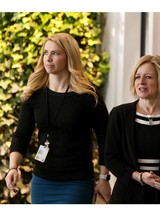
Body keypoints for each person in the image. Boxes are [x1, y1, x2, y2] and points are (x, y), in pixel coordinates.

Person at [5, 33, 111, 204]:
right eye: (46, 53)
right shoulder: (35, 93)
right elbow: (21, 135)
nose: (48, 58)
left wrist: (104, 178)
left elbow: (105, 139)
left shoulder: (89, 96)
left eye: (55, 53)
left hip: (76, 182)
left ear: (69, 56)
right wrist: (13, 167)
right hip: (42, 181)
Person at [105, 55, 160, 204]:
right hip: (127, 197)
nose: (141, 82)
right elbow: (111, 158)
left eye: (148, 77)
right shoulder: (119, 114)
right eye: (137, 77)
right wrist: (139, 177)